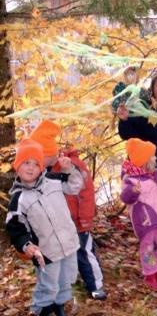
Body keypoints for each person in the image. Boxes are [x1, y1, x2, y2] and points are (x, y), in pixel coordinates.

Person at [29, 120, 107, 301]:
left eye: (40, 156)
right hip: (59, 224)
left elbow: (82, 192)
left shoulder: (69, 166)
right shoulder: (41, 170)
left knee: (84, 253)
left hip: (77, 221)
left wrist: (83, 220)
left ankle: (96, 286)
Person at [6, 138, 83, 315]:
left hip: (69, 243)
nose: (31, 167)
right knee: (48, 286)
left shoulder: (54, 180)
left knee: (66, 281)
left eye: (35, 163)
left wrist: (69, 169)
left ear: (41, 166)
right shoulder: (19, 199)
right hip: (46, 253)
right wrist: (27, 245)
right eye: (26, 163)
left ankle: (59, 307)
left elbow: (75, 186)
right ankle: (41, 310)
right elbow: (16, 228)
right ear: (17, 166)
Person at [120, 138, 157, 291]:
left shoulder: (155, 175)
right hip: (144, 220)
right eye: (152, 156)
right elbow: (125, 198)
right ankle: (151, 274)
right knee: (148, 249)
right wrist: (133, 191)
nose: (155, 158)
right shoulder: (130, 179)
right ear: (143, 159)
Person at [117, 72, 157, 193]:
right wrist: (124, 120)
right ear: (152, 89)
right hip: (154, 169)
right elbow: (127, 135)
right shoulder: (144, 108)